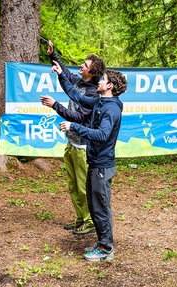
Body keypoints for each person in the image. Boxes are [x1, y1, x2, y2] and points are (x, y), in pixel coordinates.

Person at [52, 60, 128, 261]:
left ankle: (106, 249)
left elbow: (102, 135)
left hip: (102, 165)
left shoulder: (111, 109)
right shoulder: (101, 102)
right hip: (95, 162)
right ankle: (102, 242)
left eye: (103, 79)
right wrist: (61, 74)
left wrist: (74, 127)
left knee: (101, 207)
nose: (99, 82)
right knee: (94, 206)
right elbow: (77, 95)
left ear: (109, 86)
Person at [40, 41, 106, 236]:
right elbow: (66, 75)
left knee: (83, 186)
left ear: (92, 73)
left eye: (84, 66)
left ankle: (89, 221)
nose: (81, 67)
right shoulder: (80, 82)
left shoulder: (93, 94)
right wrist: (54, 56)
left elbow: (78, 117)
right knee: (72, 185)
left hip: (83, 147)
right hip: (71, 143)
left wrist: (55, 105)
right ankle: (80, 218)